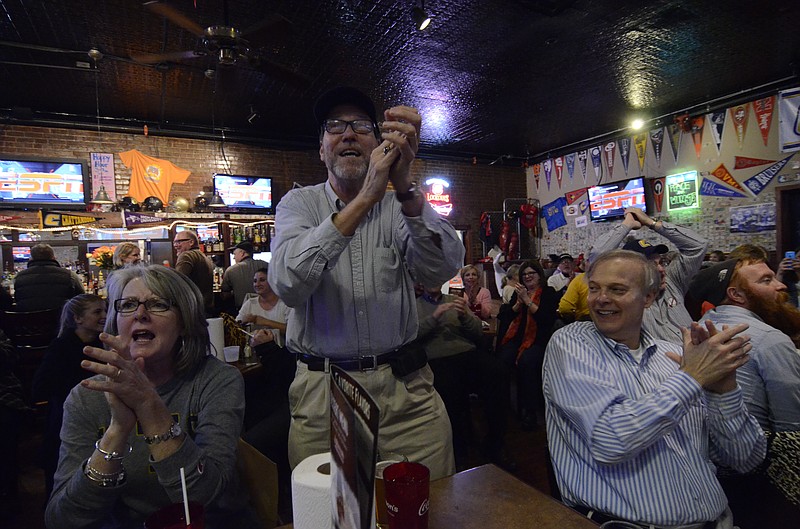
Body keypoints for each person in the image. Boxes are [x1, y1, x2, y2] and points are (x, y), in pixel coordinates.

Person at [268, 86, 464, 480]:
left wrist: (404, 185)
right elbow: (288, 282)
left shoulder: (399, 206)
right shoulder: (299, 204)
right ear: (322, 150)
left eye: (360, 125)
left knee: (426, 511)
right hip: (323, 398)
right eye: (334, 126)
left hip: (406, 398)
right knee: (328, 518)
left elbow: (440, 269)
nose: (348, 133)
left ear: (379, 145)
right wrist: (365, 199)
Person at [543, 249, 766, 528]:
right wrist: (693, 378)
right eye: (595, 288)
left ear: (648, 297)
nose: (601, 299)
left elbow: (745, 458)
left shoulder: (673, 356)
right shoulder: (573, 342)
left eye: (617, 289)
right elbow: (611, 440)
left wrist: (723, 389)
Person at [45, 265, 256, 529]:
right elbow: (62, 519)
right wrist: (117, 431)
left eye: (158, 304)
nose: (140, 314)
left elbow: (205, 497)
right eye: (128, 304)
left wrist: (148, 407)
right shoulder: (85, 397)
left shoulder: (216, 380)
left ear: (184, 322)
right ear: (115, 322)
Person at [691, 258, 800, 529]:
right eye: (766, 280)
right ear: (736, 295)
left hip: (706, 476)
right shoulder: (770, 339)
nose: (780, 285)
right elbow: (793, 429)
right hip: (755, 484)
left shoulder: (699, 327)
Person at [413, 283, 512, 471]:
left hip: (466, 352)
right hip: (437, 358)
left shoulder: (455, 301)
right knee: (448, 385)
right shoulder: (414, 305)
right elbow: (410, 335)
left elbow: (477, 331)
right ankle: (458, 448)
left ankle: (495, 442)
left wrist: (465, 316)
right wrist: (434, 317)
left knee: (497, 372)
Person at [588, 207, 707, 343]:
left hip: (701, 357)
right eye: (651, 265)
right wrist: (627, 224)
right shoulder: (625, 300)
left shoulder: (672, 282)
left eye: (661, 262)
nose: (661, 269)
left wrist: (651, 223)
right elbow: (597, 258)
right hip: (663, 363)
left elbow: (699, 246)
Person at [32, 294, 107, 497]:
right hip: (64, 417)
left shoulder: (102, 345)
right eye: (97, 311)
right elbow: (40, 386)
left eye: (105, 310)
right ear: (78, 318)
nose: (105, 316)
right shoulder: (62, 347)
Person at [236, 268, 295, 520]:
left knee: (253, 441)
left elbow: (291, 334)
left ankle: (271, 508)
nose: (258, 283)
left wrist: (262, 326)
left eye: (263, 279)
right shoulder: (250, 303)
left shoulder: (287, 304)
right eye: (255, 281)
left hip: (283, 383)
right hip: (264, 372)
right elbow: (238, 328)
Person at [496, 260, 558, 431]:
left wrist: (528, 301)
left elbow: (546, 319)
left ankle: (529, 411)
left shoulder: (548, 292)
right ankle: (504, 406)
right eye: (524, 274)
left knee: (527, 362)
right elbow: (505, 316)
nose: (528, 276)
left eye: (532, 273)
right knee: (502, 358)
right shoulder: (519, 292)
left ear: (539, 276)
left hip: (539, 339)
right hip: (518, 338)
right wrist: (518, 303)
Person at [12, 243, 84, 311]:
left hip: (27, 320)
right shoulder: (69, 275)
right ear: (53, 257)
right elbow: (82, 297)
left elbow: (17, 298)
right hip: (61, 320)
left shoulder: (19, 277)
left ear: (31, 258)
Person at [173, 229, 215, 315]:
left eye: (178, 242)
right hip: (205, 308)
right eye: (175, 243)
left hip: (192, 310)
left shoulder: (186, 255)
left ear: (191, 242)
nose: (175, 245)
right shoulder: (203, 256)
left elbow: (177, 282)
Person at [222, 241, 269, 311]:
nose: (234, 258)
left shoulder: (231, 270)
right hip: (267, 309)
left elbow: (225, 296)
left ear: (242, 253)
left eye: (234, 254)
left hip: (242, 311)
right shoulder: (267, 265)